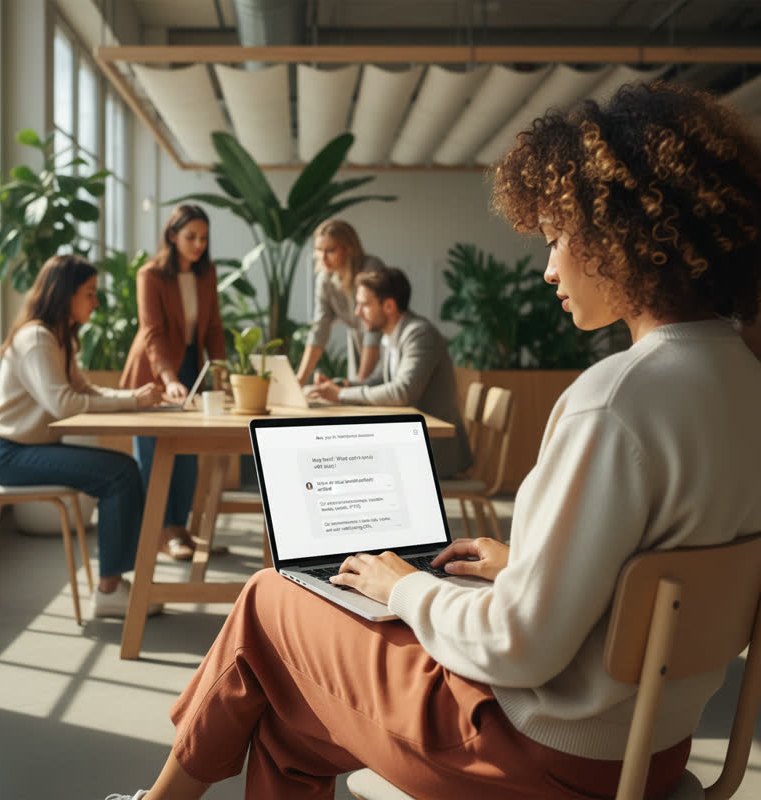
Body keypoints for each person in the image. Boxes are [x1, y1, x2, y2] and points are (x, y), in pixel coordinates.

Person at [107, 81, 761, 800]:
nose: (548, 268)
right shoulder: (743, 379)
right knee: (292, 721)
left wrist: (407, 585)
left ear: (621, 232)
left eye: (555, 238)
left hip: (534, 755)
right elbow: (664, 572)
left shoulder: (615, 402)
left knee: (268, 597)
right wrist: (528, 564)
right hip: (650, 750)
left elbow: (518, 646)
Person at [0, 254, 165, 618]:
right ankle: (109, 590)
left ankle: (114, 583)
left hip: (25, 450)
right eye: (89, 293)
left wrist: (135, 398)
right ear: (65, 295)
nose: (96, 302)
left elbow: (87, 390)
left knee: (124, 469)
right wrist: (130, 400)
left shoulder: (56, 337)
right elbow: (64, 404)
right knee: (120, 473)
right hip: (9, 456)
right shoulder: (36, 338)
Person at [121, 204, 227, 561]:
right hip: (153, 373)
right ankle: (162, 533)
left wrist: (221, 373)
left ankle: (180, 530)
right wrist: (167, 379)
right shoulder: (150, 275)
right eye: (191, 237)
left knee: (186, 455)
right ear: (172, 236)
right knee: (153, 456)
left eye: (204, 238)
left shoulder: (206, 273)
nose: (199, 244)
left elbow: (212, 327)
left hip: (190, 371)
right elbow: (152, 333)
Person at [308, 265, 473, 479]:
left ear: (388, 305)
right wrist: (342, 385)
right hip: (409, 443)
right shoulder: (391, 335)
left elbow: (402, 392)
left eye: (364, 305)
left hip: (433, 451)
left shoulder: (419, 335)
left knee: (347, 466)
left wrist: (339, 395)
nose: (357, 313)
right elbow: (378, 380)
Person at [295, 218, 385, 386]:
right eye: (318, 250)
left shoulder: (370, 269)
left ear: (349, 249)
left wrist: (359, 383)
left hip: (382, 348)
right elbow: (319, 329)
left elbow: (372, 330)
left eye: (330, 250)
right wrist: (299, 380)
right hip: (358, 345)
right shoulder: (325, 279)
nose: (323, 257)